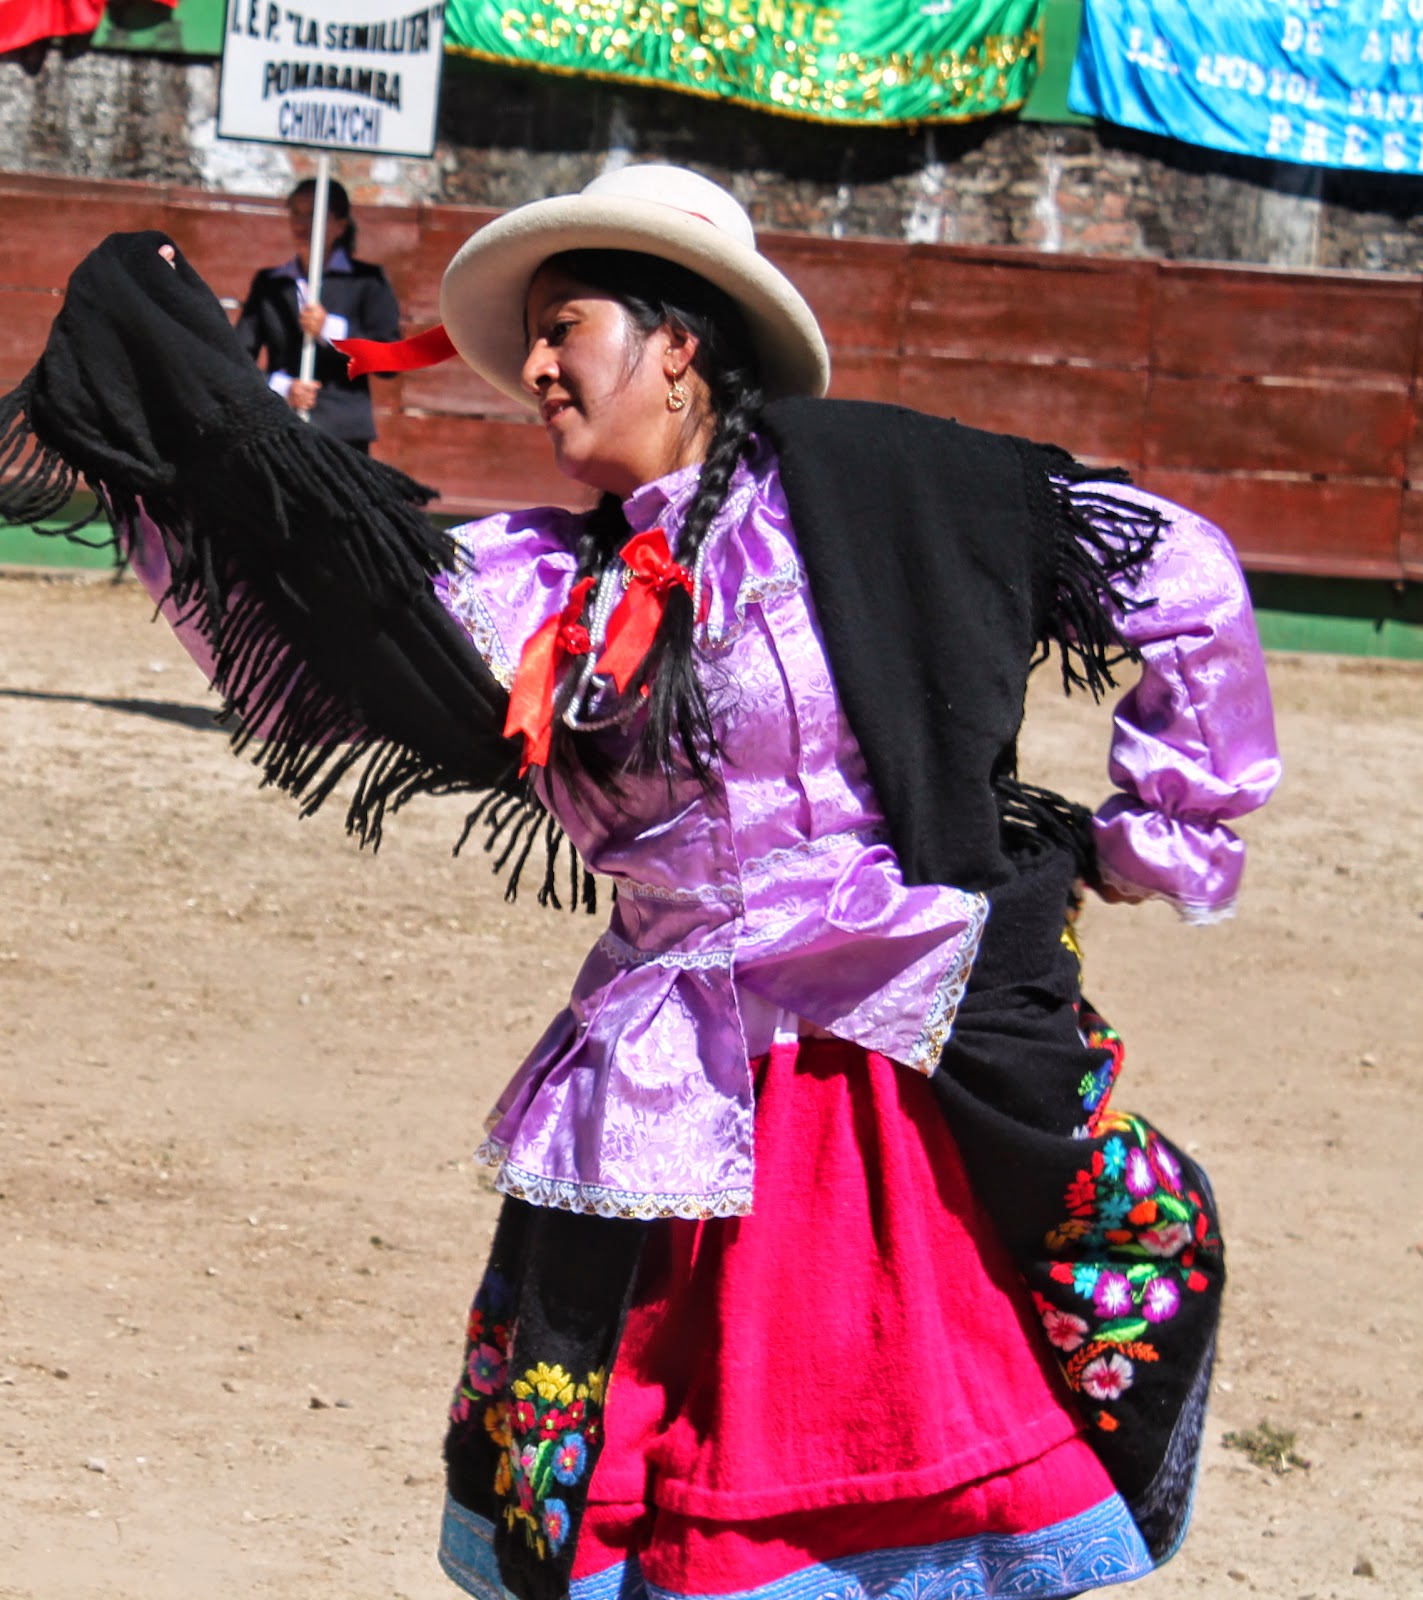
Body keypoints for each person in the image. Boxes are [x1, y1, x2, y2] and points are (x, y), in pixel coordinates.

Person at [0, 165, 1281, 1600]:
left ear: (679, 341)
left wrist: (1152, 831)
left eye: (568, 327)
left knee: (868, 1493)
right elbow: (328, 604)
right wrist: (161, 362)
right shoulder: (554, 584)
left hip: (874, 1091)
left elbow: (1174, 569)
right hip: (662, 1095)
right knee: (658, 1510)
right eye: (534, 340)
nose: (535, 369)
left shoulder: (874, 491)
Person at [235, 175, 401, 451]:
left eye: (314, 215)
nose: (302, 224)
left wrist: (331, 331)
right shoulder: (271, 283)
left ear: (340, 225)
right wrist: (282, 388)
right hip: (281, 427)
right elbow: (238, 355)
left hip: (342, 435)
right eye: (297, 214)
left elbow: (389, 363)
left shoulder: (367, 282)